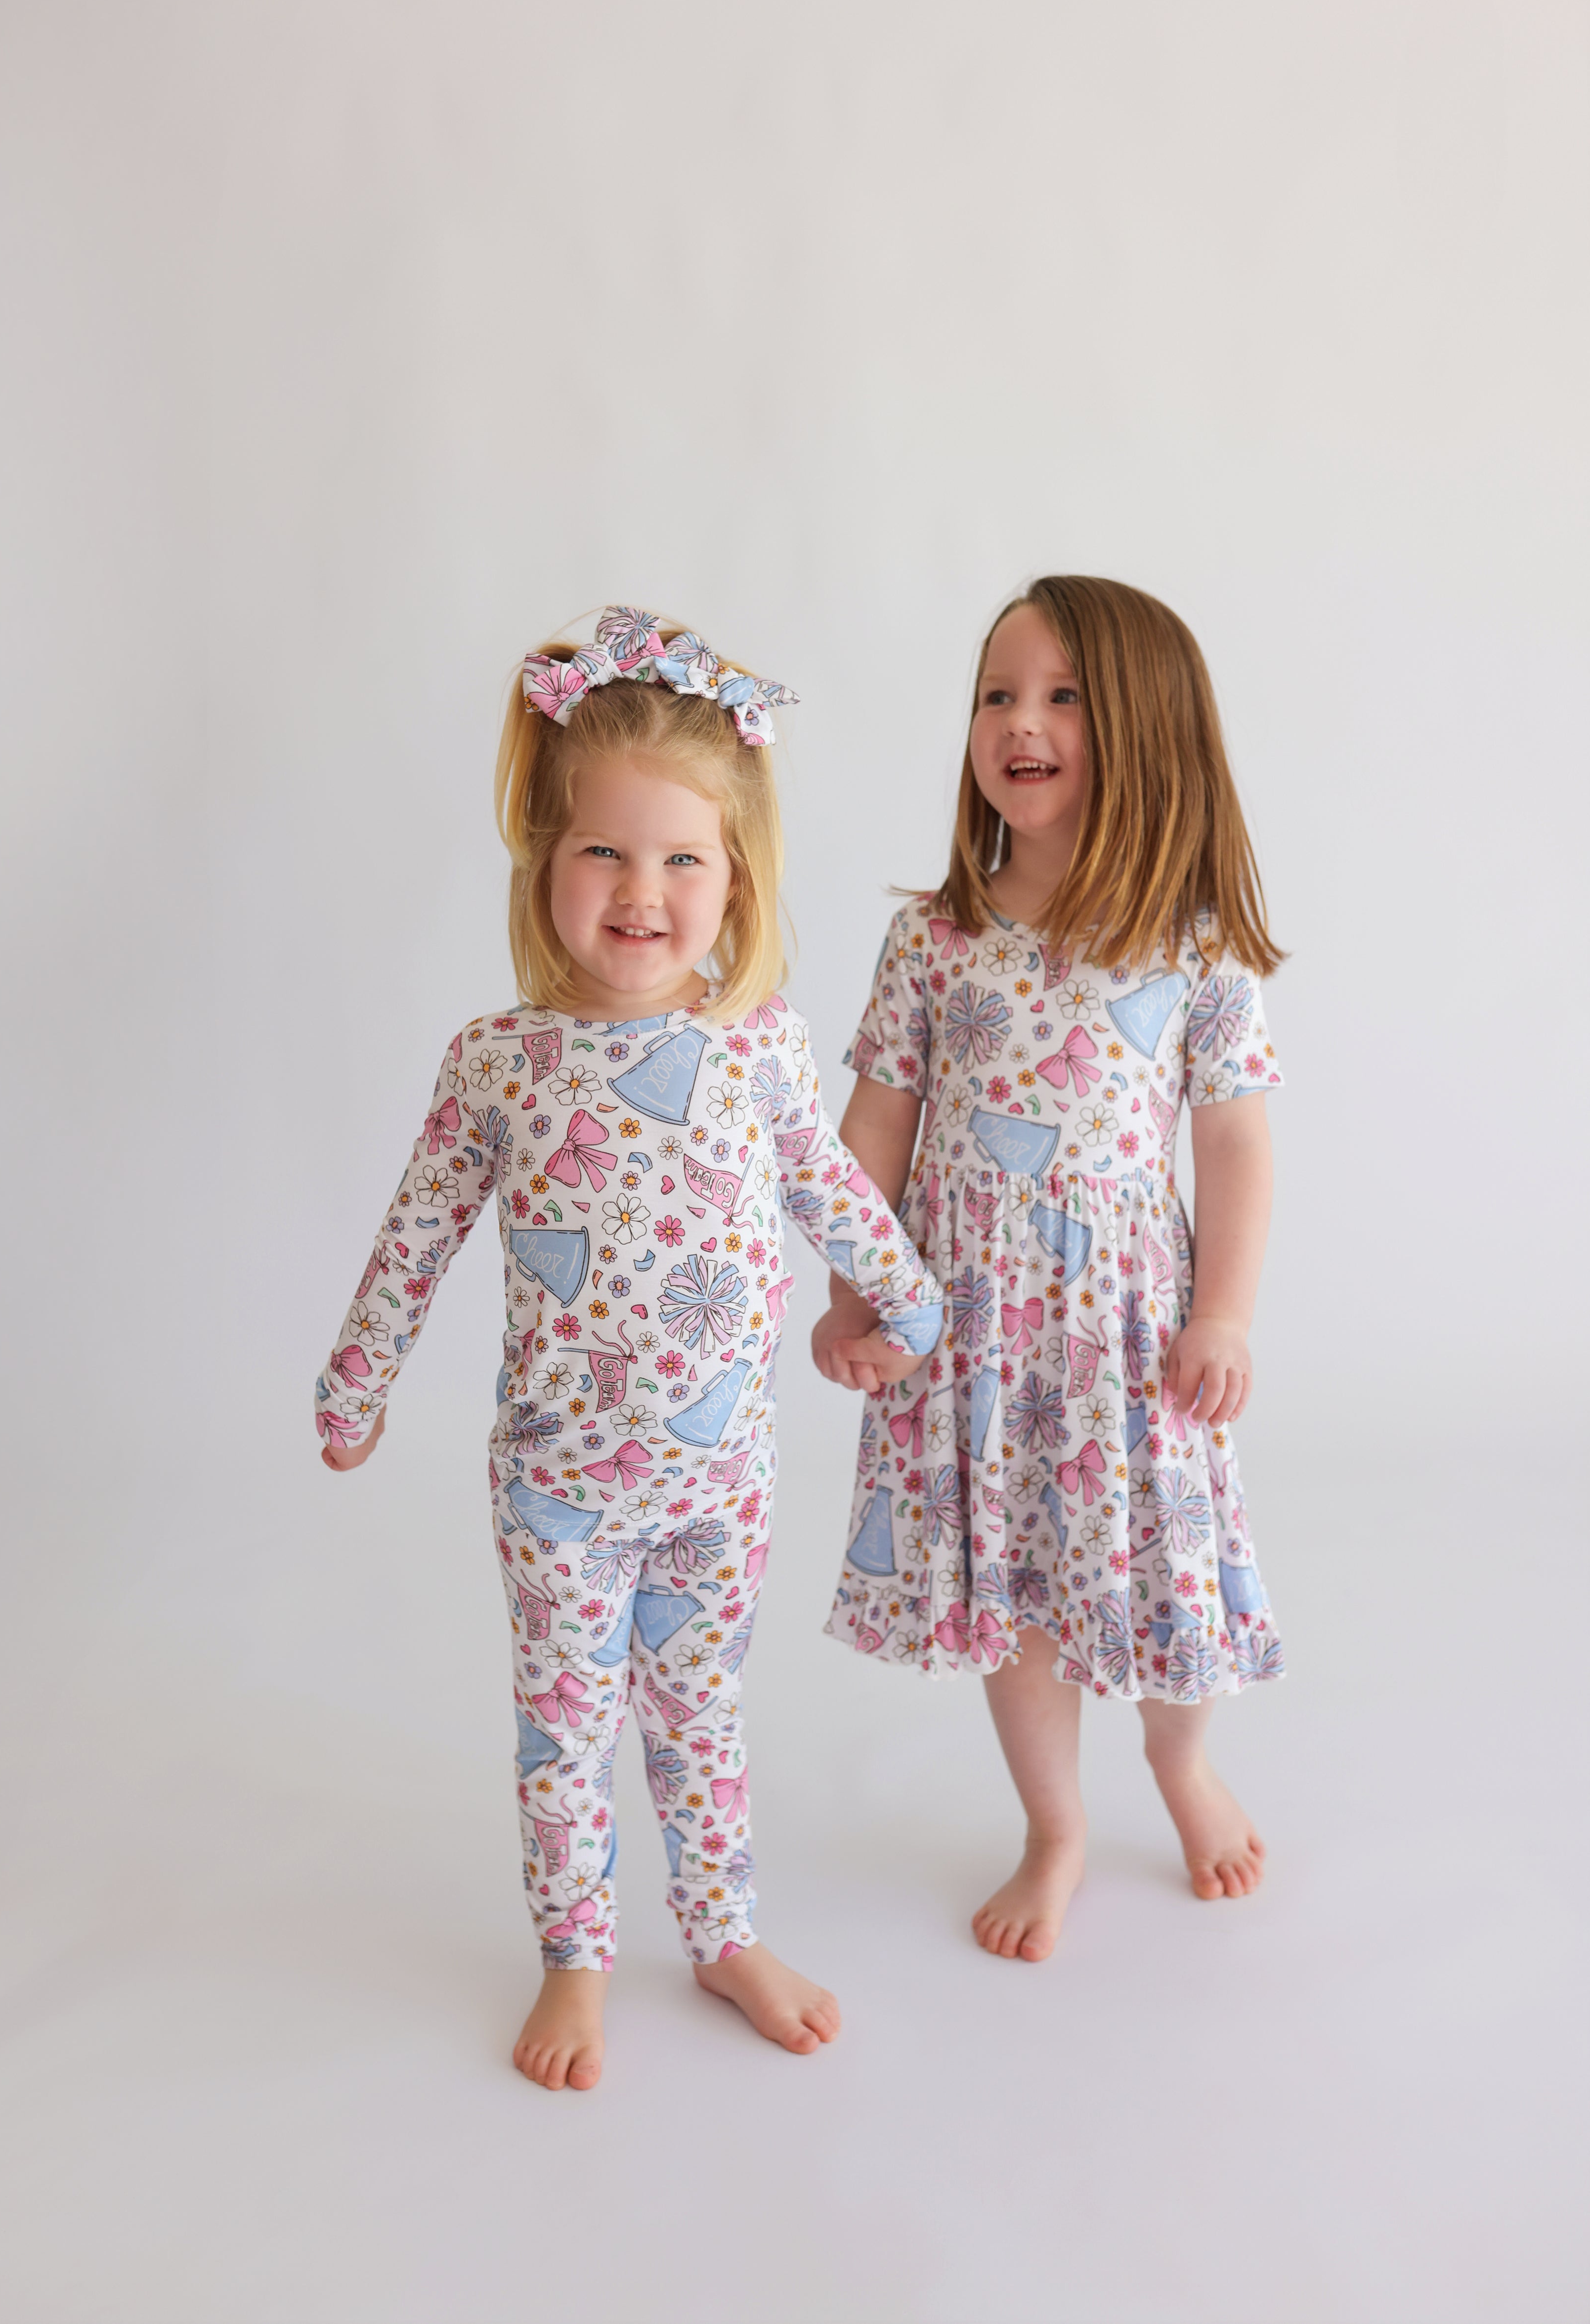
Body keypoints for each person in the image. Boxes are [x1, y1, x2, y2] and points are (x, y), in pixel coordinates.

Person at [315, 606, 941, 2088]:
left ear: (737, 878)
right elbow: (415, 1235)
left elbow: (830, 1187)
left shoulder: (760, 1046)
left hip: (719, 1483)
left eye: (682, 860)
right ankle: (576, 1956)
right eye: (604, 851)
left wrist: (907, 1299)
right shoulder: (498, 1063)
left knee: (702, 1715)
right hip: (560, 1491)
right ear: (545, 861)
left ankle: (722, 1933)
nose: (642, 892)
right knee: (567, 1727)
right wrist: (356, 1384)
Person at [812, 575, 1287, 1959]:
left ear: (1146, 725)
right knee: (1013, 1583)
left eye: (1062, 697)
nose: (1019, 722)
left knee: (1165, 1570)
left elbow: (1236, 1145)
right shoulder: (934, 938)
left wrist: (1224, 1316)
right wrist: (858, 1287)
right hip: (972, 1330)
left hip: (1131, 1336)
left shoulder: (1194, 944)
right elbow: (877, 1126)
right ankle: (1055, 1825)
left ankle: (1181, 1760)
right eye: (997, 696)